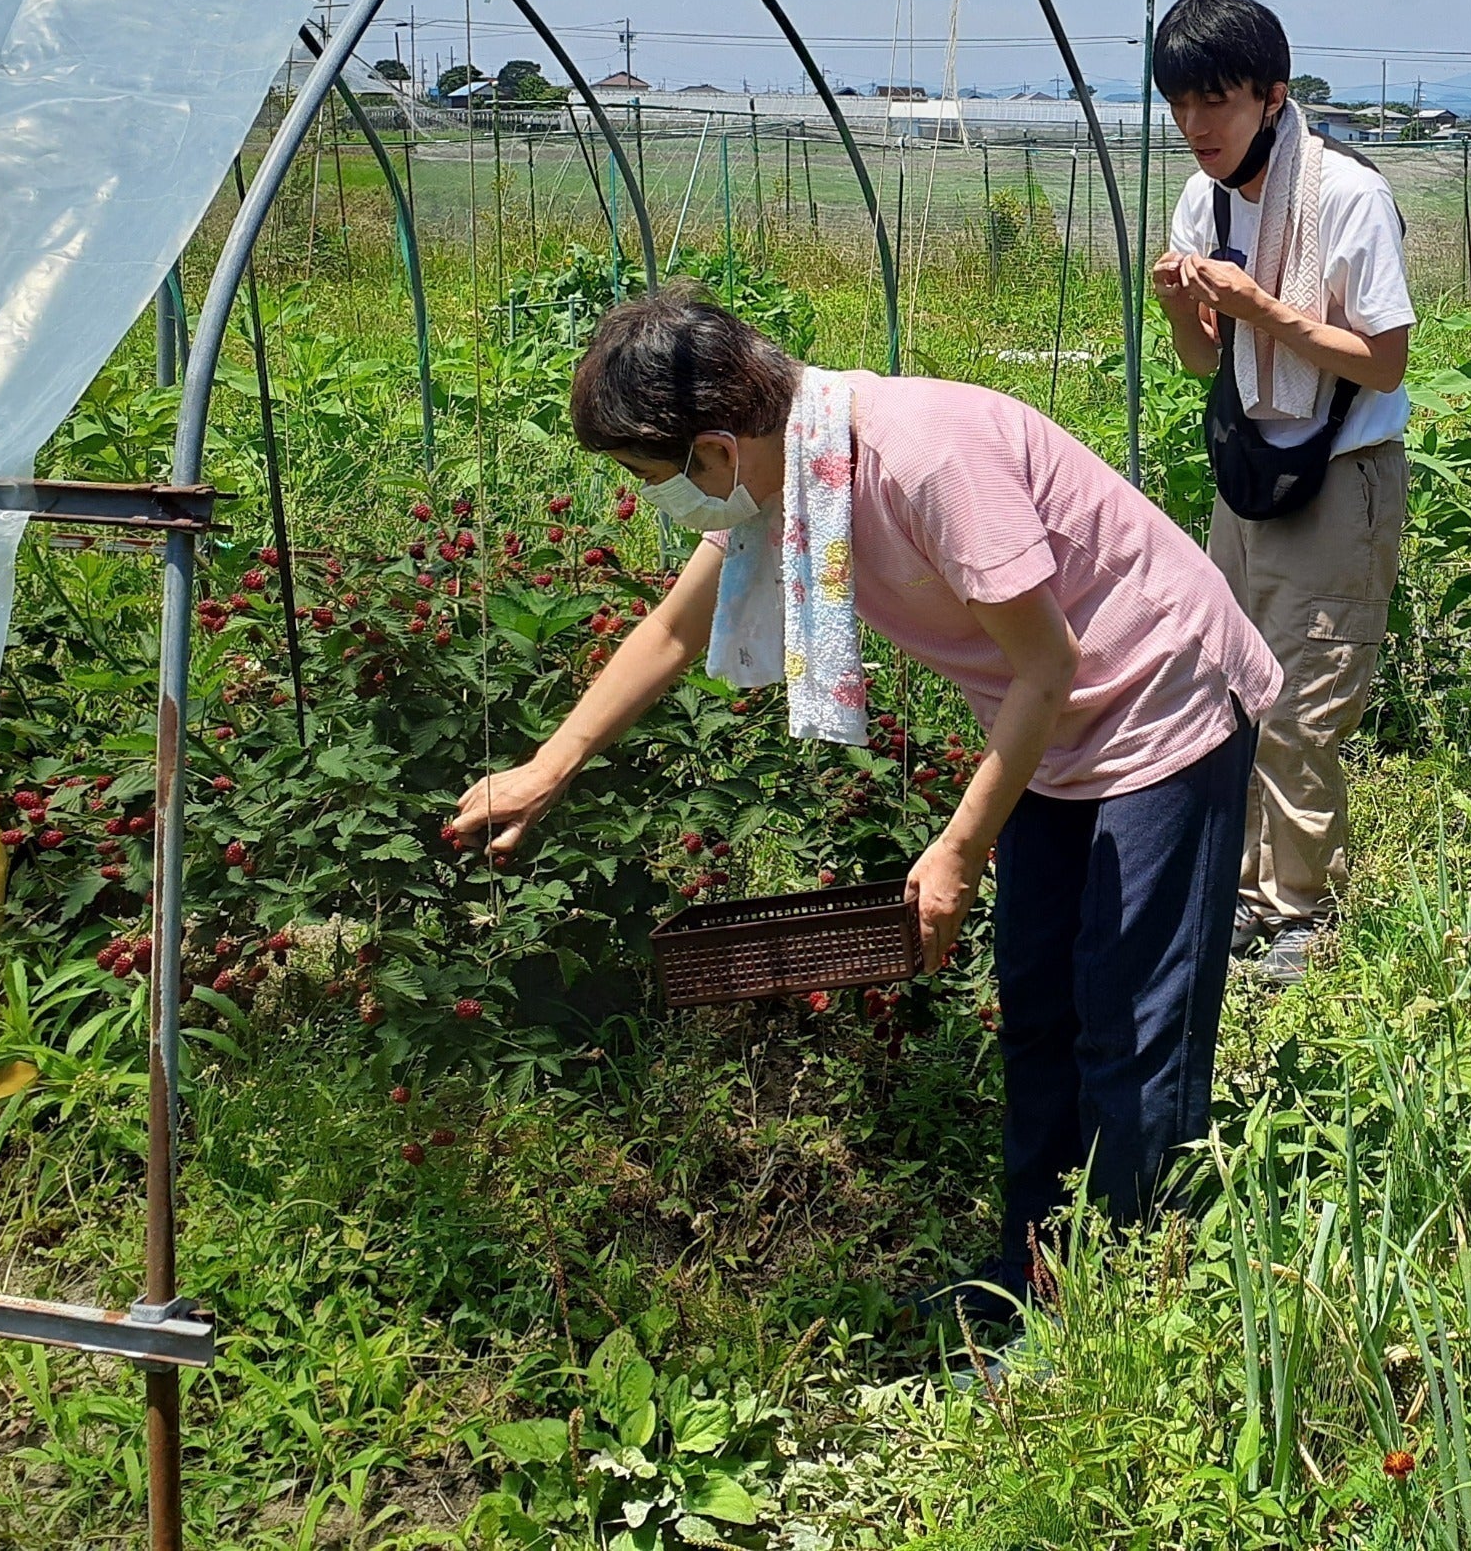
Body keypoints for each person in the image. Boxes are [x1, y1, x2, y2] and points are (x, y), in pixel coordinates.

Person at [445, 292, 1282, 1302]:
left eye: (649, 477)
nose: (658, 499)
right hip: (1048, 729)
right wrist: (548, 767)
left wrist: (958, 849)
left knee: (1131, 1027)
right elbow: (672, 632)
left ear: (715, 450)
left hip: (1161, 697)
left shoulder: (923, 458)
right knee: (1039, 1014)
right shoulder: (793, 475)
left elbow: (1048, 663)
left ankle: (1128, 1309)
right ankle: (1034, 1281)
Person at [1147, 0, 1415, 986]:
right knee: (1229, 687)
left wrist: (1262, 309)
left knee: (1302, 705)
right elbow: (1200, 362)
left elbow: (1384, 362)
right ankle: (1244, 886)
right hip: (1250, 472)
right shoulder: (1204, 200)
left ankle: (1298, 909)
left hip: (1339, 475)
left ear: (1272, 95)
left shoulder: (1346, 196)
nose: (1196, 126)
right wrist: (1184, 310)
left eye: (1214, 101)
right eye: (1179, 104)